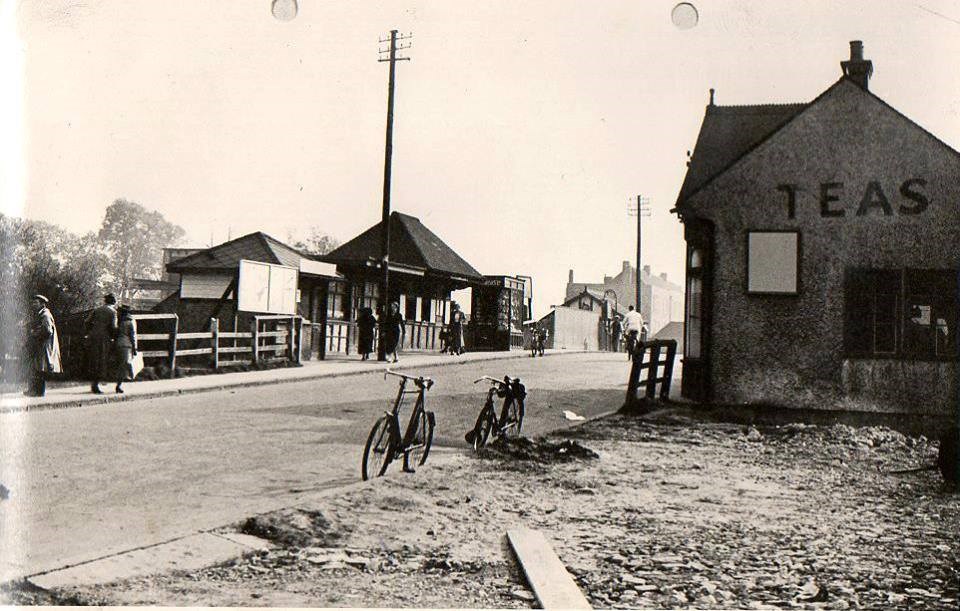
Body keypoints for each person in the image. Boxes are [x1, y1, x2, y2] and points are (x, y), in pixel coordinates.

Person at [24, 295, 61, 397]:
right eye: (33, 302)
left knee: (39, 369)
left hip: (43, 346)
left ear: (42, 304)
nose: (33, 304)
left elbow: (47, 331)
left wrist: (34, 333)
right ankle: (36, 391)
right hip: (40, 345)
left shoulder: (45, 315)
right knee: (37, 368)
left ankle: (38, 392)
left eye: (36, 303)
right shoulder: (40, 314)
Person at [85, 293, 118, 394]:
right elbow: (113, 327)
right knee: (102, 360)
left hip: (93, 337)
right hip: (104, 338)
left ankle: (94, 384)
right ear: (114, 302)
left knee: (94, 360)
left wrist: (91, 332)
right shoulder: (113, 312)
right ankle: (96, 385)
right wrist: (114, 336)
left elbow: (87, 321)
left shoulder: (97, 309)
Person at [114, 305, 138, 393]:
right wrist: (135, 348)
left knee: (120, 364)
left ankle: (122, 381)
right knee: (124, 365)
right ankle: (119, 385)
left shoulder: (119, 322)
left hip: (118, 344)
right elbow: (132, 336)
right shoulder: (130, 322)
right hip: (126, 345)